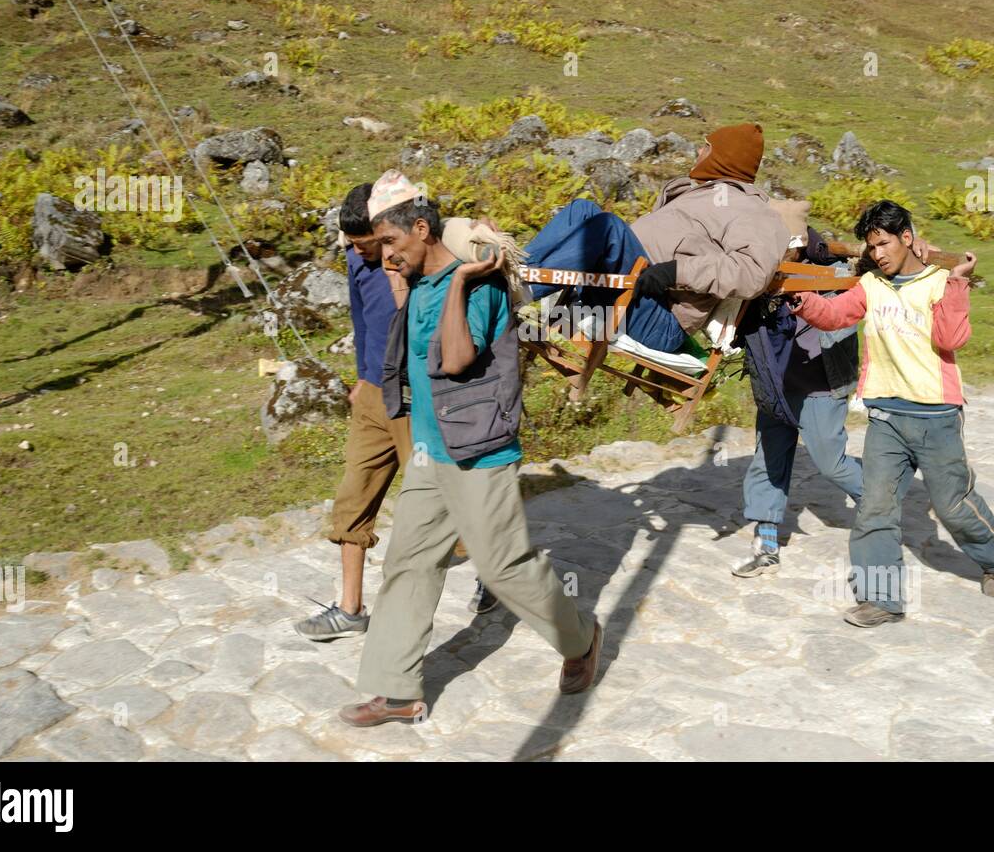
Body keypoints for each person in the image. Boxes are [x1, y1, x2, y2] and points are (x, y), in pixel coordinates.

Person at [340, 172, 602, 727]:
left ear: (419, 229)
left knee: (503, 566)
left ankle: (581, 639)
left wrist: (458, 283)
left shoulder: (476, 285)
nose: (385, 255)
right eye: (379, 246)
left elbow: (457, 359)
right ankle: (396, 690)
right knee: (408, 563)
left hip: (478, 451)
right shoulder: (416, 281)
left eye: (391, 243)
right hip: (431, 452)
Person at [788, 200, 994, 628]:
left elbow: (951, 339)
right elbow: (836, 317)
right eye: (872, 247)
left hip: (936, 415)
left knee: (951, 504)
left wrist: (958, 285)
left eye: (884, 243)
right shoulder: (871, 286)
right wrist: (804, 302)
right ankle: (881, 599)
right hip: (885, 417)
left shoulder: (939, 282)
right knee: (875, 507)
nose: (878, 254)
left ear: (907, 237)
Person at [293, 183, 494, 643]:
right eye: (359, 248)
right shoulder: (355, 259)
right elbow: (361, 319)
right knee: (353, 495)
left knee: (445, 497)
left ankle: (495, 572)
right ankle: (350, 608)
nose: (367, 255)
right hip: (373, 395)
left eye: (372, 244)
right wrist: (362, 377)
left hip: (416, 395)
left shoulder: (413, 255)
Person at [731, 203, 924, 577]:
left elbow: (891, 263)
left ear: (799, 244)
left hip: (821, 384)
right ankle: (766, 541)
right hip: (776, 383)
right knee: (768, 458)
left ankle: (879, 506)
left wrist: (918, 245)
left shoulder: (839, 273)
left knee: (831, 463)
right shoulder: (756, 272)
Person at [522, 122, 788, 352]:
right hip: (623, 289)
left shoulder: (753, 211)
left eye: (706, 146)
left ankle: (518, 291)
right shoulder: (702, 192)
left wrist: (674, 272)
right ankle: (514, 274)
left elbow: (752, 272)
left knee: (608, 227)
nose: (698, 151)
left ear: (724, 157)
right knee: (583, 209)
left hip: (659, 318)